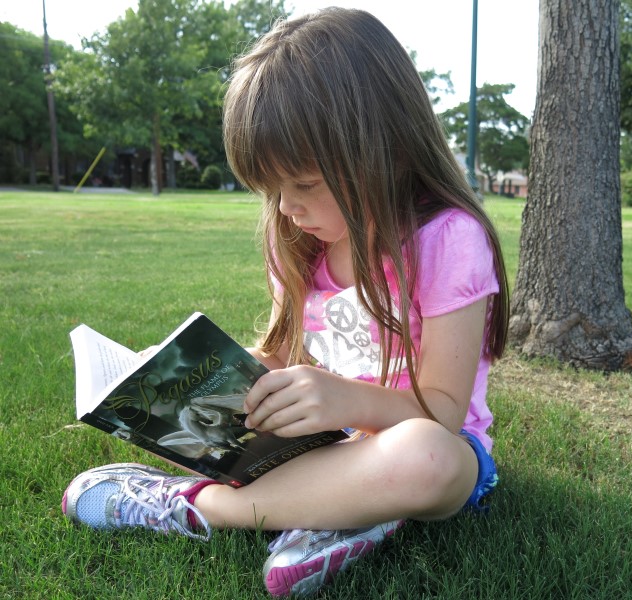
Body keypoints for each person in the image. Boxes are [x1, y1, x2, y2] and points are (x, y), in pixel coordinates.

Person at [62, 7, 509, 597]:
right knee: (204, 425)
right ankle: (337, 519)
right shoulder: (299, 240)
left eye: (303, 184)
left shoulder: (448, 239)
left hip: (434, 452)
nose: (286, 208)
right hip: (325, 446)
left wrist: (343, 399)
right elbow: (280, 355)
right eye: (271, 189)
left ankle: (195, 508)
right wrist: (185, 380)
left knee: (428, 459)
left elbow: (444, 413)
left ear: (388, 151)